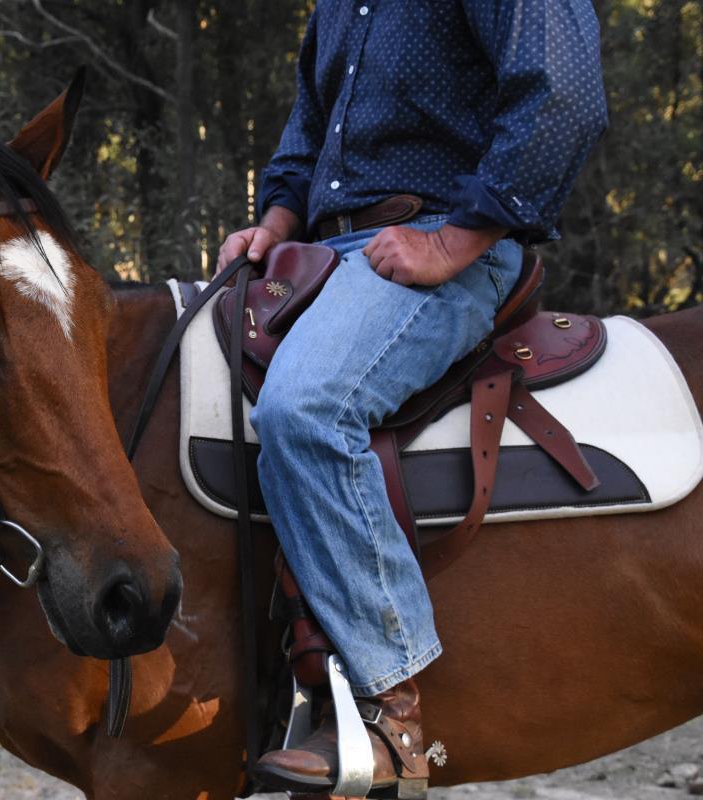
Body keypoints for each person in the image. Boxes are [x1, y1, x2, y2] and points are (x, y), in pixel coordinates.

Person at [215, 1, 608, 794]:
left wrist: (456, 239)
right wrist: (277, 222)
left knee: (306, 408)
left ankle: (388, 714)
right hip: (323, 254)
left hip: (444, 247)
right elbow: (311, 124)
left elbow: (563, 91)